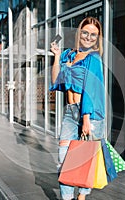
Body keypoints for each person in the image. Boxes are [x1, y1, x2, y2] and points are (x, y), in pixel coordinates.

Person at [50, 17, 105, 200]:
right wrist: (57, 56)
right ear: (79, 33)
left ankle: (81, 197)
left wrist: (86, 119)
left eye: (94, 35)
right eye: (86, 32)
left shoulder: (94, 58)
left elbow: (90, 89)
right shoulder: (69, 55)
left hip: (89, 114)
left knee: (85, 159)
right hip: (70, 112)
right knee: (63, 158)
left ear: (97, 38)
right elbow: (56, 81)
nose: (89, 37)